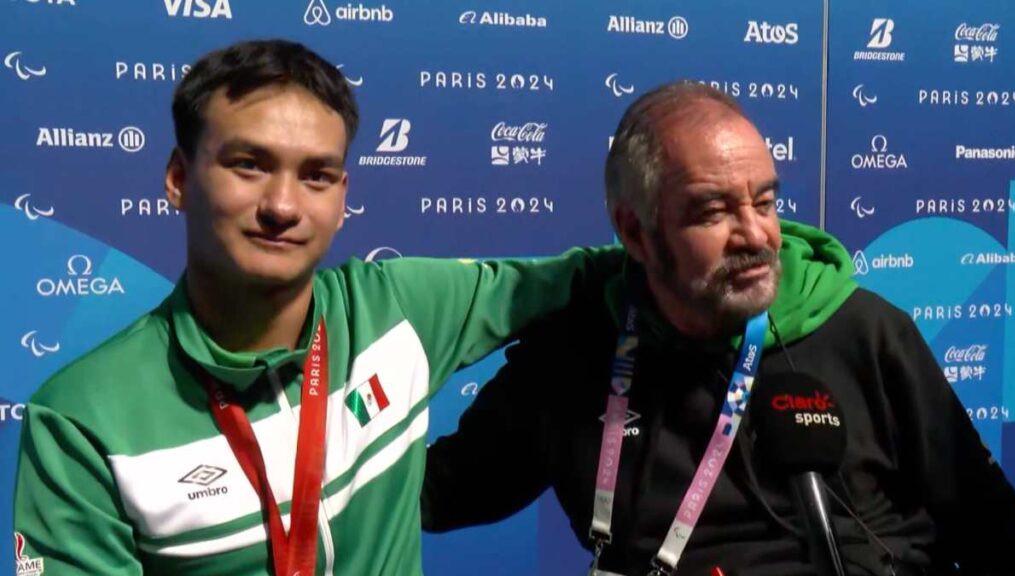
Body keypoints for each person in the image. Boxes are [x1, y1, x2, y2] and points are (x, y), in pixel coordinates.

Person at [12, 39, 618, 575]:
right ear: (178, 177)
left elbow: (603, 270)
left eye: (317, 176)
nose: (283, 204)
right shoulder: (82, 420)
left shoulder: (400, 309)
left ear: (343, 195)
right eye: (249, 164)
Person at [421, 82, 1015, 575]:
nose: (758, 236)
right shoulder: (573, 353)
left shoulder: (867, 334)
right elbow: (434, 495)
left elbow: (993, 531)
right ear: (635, 232)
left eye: (764, 202)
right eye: (714, 211)